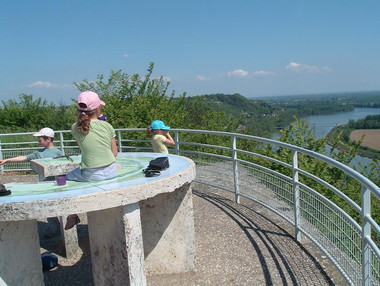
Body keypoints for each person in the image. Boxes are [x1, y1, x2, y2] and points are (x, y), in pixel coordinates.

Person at [66, 90, 118, 182]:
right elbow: (114, 153)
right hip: (111, 171)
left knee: (66, 176)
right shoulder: (107, 125)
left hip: (91, 174)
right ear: (98, 108)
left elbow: (83, 148)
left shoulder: (75, 127)